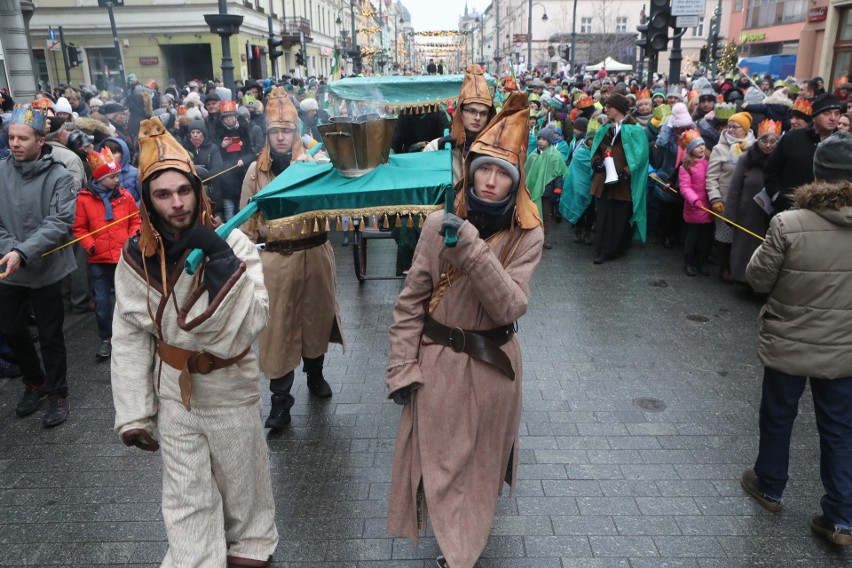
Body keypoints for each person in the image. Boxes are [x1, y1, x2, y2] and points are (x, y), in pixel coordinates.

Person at [110, 118, 278, 566]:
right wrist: (133, 413)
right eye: (163, 195)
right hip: (174, 391)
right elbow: (129, 336)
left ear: (197, 189)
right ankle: (196, 557)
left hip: (228, 385)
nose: (177, 203)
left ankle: (251, 543)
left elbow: (253, 322)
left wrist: (223, 264)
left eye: (184, 191)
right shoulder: (134, 258)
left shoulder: (235, 244)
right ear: (147, 201)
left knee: (242, 482)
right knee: (186, 493)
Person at [386, 91, 543, 568]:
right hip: (437, 365)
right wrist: (401, 369)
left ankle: (460, 555)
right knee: (442, 464)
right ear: (471, 171)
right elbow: (410, 303)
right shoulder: (437, 224)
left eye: (502, 174)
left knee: (479, 468)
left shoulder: (527, 234)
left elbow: (511, 305)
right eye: (484, 169)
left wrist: (472, 248)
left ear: (515, 182)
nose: (491, 181)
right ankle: (458, 549)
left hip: (494, 368)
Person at [742, 131, 852, 546]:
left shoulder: (788, 222)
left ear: (816, 174)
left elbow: (757, 278)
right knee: (840, 428)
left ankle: (770, 486)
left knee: (778, 414)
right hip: (844, 346)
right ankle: (841, 517)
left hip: (790, 337)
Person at [239, 87, 343, 429]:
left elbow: (335, 207)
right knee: (276, 330)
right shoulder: (256, 171)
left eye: (286, 131)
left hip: (314, 253)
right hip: (275, 261)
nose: (281, 137)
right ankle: (280, 401)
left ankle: (316, 375)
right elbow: (245, 224)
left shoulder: (317, 164)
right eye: (274, 132)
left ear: (297, 132)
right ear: (267, 135)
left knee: (316, 319)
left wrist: (323, 172)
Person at [0, 105, 77, 427]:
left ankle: (58, 394)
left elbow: (59, 222)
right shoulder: (0, 171)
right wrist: (11, 251)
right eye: (11, 137)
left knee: (50, 335)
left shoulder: (60, 176)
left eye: (22, 138)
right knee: (12, 330)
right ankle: (35, 381)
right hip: (8, 268)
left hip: (47, 269)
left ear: (40, 141)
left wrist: (23, 251)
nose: (15, 144)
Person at [72, 147, 140, 359]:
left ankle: (129, 336)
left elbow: (135, 221)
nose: (117, 180)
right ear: (100, 179)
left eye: (117, 175)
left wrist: (131, 239)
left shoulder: (125, 197)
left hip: (124, 257)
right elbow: (79, 228)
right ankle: (106, 338)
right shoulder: (84, 200)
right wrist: (91, 245)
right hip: (99, 259)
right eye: (112, 177)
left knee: (126, 299)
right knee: (102, 303)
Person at [589, 93, 649, 264]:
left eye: (609, 107)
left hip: (623, 183)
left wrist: (627, 172)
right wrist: (596, 162)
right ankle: (602, 249)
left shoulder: (635, 130)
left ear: (619, 109)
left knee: (619, 216)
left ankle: (615, 248)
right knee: (604, 215)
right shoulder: (604, 129)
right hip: (604, 180)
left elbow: (641, 155)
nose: (605, 109)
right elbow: (596, 149)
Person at [764, 93, 841, 213]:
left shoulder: (843, 144)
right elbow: (771, 169)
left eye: (837, 113)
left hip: (826, 215)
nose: (833, 118)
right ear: (814, 116)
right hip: (787, 211)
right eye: (827, 113)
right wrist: (777, 196)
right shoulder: (792, 137)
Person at [725, 119, 780, 286]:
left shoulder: (780, 162)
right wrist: (730, 214)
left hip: (769, 214)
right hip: (747, 212)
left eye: (773, 141)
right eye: (764, 140)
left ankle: (760, 283)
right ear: (758, 140)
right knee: (744, 247)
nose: (768, 145)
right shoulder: (746, 159)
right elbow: (734, 188)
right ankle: (742, 279)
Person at [706, 111, 754, 281]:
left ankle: (739, 267)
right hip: (725, 200)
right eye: (729, 126)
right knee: (725, 236)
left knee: (742, 237)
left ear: (746, 129)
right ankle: (725, 266)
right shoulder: (720, 148)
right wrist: (715, 198)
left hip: (747, 201)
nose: (731, 130)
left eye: (736, 127)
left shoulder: (754, 148)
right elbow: (711, 177)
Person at [677, 129, 712, 276]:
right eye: (697, 146)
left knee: (706, 238)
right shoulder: (686, 166)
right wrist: (694, 200)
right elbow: (684, 187)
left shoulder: (710, 161)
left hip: (709, 207)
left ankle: (702, 262)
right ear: (691, 150)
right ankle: (689, 262)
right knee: (693, 237)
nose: (701, 147)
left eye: (702, 144)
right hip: (695, 208)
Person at [525, 127, 567, 249]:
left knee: (546, 215)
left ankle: (544, 237)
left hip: (547, 192)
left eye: (544, 139)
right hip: (533, 191)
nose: (540, 141)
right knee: (533, 214)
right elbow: (528, 171)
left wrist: (557, 191)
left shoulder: (555, 156)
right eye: (539, 138)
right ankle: (532, 237)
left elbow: (558, 175)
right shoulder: (533, 155)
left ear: (549, 141)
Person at [214, 100, 255, 220]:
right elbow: (214, 155)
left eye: (231, 116)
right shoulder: (217, 132)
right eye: (225, 117)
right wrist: (221, 146)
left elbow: (251, 154)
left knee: (241, 207)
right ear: (222, 120)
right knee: (229, 210)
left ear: (236, 117)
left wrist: (243, 160)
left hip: (241, 176)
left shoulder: (243, 130)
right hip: (225, 178)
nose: (228, 119)